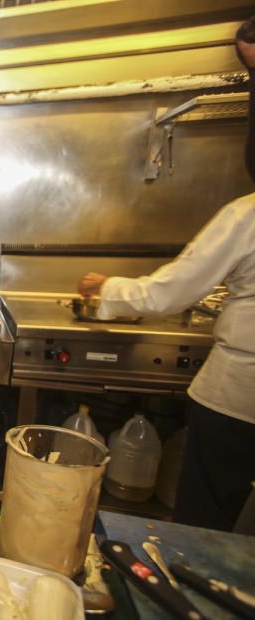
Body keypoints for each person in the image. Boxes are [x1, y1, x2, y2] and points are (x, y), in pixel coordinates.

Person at [76, 20, 255, 532]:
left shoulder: (248, 213)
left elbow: (173, 289)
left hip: (238, 401)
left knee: (208, 525)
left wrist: (105, 290)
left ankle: (191, 590)